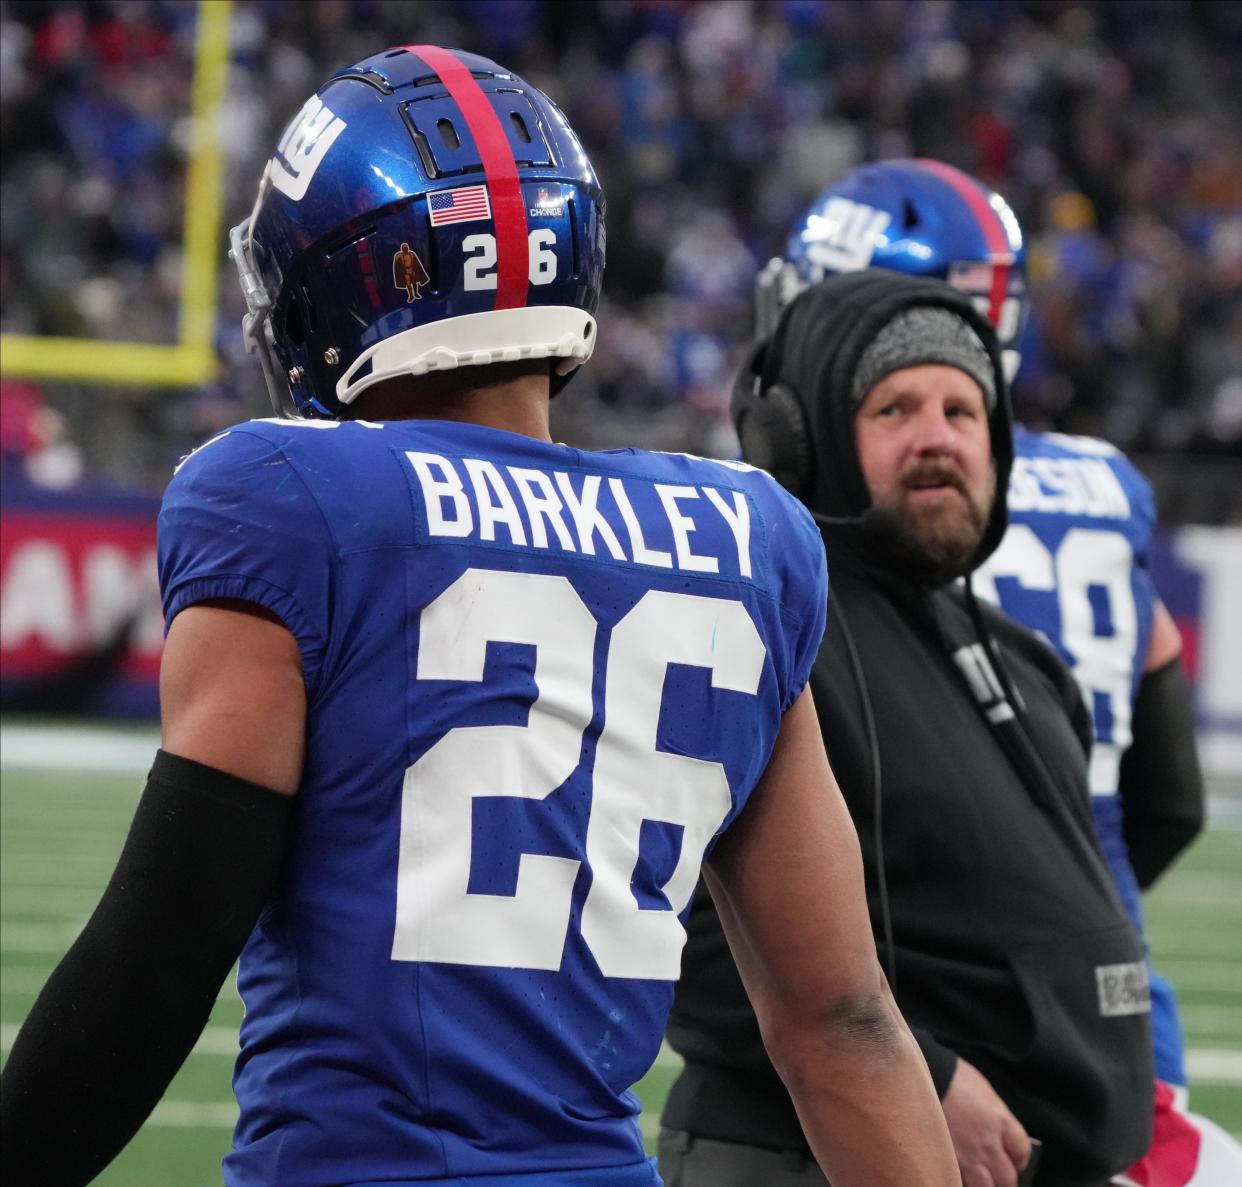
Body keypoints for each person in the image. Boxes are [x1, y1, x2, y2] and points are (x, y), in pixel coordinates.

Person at [0, 47, 959, 1187]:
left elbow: (155, 965)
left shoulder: (288, 496)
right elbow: (841, 1017)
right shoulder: (747, 536)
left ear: (339, 282)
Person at [765, 159, 1225, 1178]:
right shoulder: (1104, 483)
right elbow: (1171, 796)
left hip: (921, 1030)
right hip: (1117, 1018)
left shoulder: (830, 513)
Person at [661, 268, 1155, 1187]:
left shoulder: (1023, 656)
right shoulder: (772, 635)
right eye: (896, 409)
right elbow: (680, 923)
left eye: (963, 412)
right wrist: (921, 1077)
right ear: (805, 442)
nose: (938, 439)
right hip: (808, 1159)